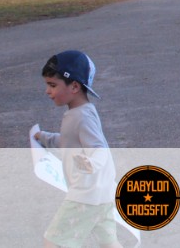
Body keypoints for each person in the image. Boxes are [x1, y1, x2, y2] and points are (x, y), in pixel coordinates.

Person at [33, 50, 122, 248]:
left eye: (52, 85)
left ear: (74, 86)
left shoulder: (82, 116)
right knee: (108, 243)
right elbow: (69, 141)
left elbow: (98, 149)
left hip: (86, 195)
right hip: (102, 193)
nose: (47, 91)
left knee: (53, 241)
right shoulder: (82, 112)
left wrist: (90, 164)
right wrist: (44, 138)